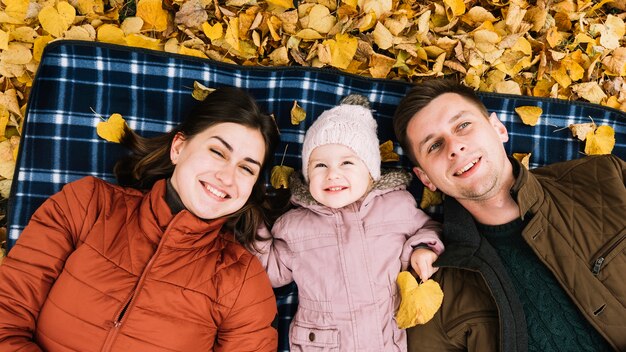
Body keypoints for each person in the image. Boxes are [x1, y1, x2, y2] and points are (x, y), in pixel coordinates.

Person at [0, 87, 280, 351]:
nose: (227, 177)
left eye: (246, 168)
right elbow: (6, 318)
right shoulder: (87, 205)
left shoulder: (242, 280)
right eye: (218, 152)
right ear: (179, 148)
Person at [392, 79, 626, 351]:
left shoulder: (605, 179)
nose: (454, 147)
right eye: (433, 146)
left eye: (463, 125)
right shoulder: (434, 291)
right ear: (426, 179)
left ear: (498, 128)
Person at [254, 96, 444, 351]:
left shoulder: (397, 206)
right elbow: (271, 269)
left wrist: (422, 248)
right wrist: (252, 222)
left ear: (370, 172)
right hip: (323, 343)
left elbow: (428, 228)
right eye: (320, 165)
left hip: (387, 339)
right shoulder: (295, 225)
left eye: (347, 163)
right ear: (308, 176)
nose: (333, 173)